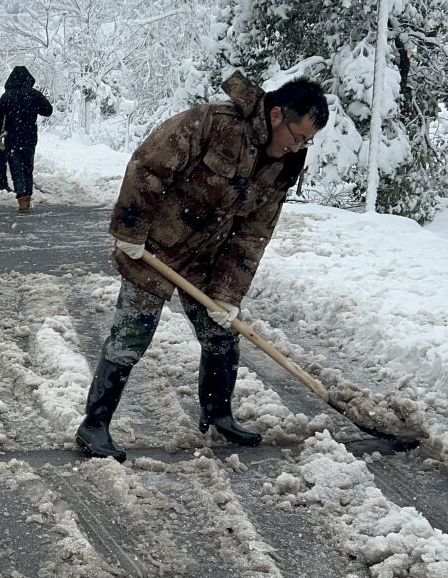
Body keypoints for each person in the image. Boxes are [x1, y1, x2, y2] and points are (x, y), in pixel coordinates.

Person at [74, 72, 328, 463]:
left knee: (221, 333)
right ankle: (94, 425)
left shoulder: (283, 166)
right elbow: (148, 166)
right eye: (298, 136)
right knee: (132, 335)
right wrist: (130, 229)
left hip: (206, 256)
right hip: (154, 246)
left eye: (307, 141)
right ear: (277, 115)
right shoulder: (213, 124)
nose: (299, 146)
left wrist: (228, 294)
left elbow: (252, 235)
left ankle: (217, 414)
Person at [0, 66, 53, 214]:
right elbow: (48, 110)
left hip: (12, 137)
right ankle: (27, 196)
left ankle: (22, 199)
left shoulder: (7, 96)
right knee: (27, 167)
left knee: (16, 168)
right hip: (29, 137)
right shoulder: (34, 94)